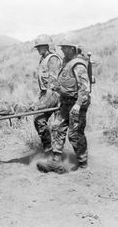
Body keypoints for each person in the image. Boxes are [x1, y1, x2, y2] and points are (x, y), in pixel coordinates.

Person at [37, 36, 91, 173]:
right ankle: (55, 161)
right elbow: (59, 82)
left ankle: (83, 164)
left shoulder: (78, 64)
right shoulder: (66, 62)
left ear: (72, 48)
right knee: (57, 127)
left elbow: (84, 88)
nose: (62, 49)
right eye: (62, 47)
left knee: (75, 134)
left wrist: (78, 105)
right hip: (65, 102)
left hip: (77, 104)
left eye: (65, 47)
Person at [31, 34, 62, 154]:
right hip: (46, 93)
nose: (38, 49)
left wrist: (44, 101)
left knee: (40, 118)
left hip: (54, 94)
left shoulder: (53, 59)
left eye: (40, 46)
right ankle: (49, 148)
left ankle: (51, 150)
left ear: (47, 46)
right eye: (37, 47)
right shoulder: (43, 58)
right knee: (40, 120)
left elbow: (53, 82)